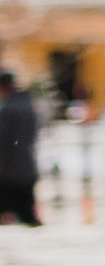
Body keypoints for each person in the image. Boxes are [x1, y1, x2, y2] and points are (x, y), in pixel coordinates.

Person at [1, 70, 40, 226]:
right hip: (25, 164)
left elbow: (4, 139)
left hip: (9, 168)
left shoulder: (8, 109)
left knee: (19, 208)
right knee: (27, 211)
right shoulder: (28, 105)